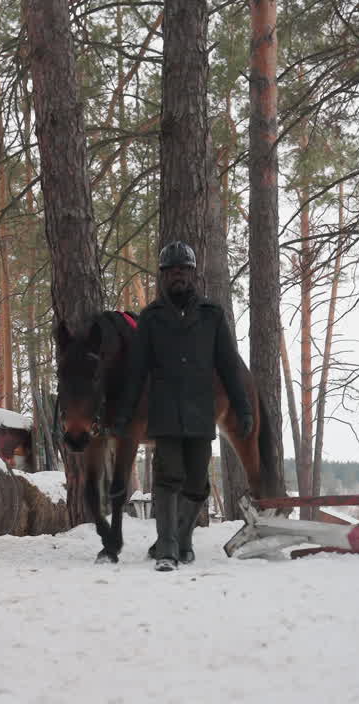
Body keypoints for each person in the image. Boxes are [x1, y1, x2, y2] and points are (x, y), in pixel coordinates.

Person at [111, 241, 253, 572]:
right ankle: (168, 550)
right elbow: (136, 372)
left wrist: (243, 409)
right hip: (164, 413)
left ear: (193, 274)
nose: (178, 275)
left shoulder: (212, 316)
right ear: (163, 276)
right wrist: (124, 413)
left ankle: (183, 539)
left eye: (184, 269)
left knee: (196, 484)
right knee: (168, 476)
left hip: (201, 413)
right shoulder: (151, 319)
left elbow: (230, 367)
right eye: (172, 270)